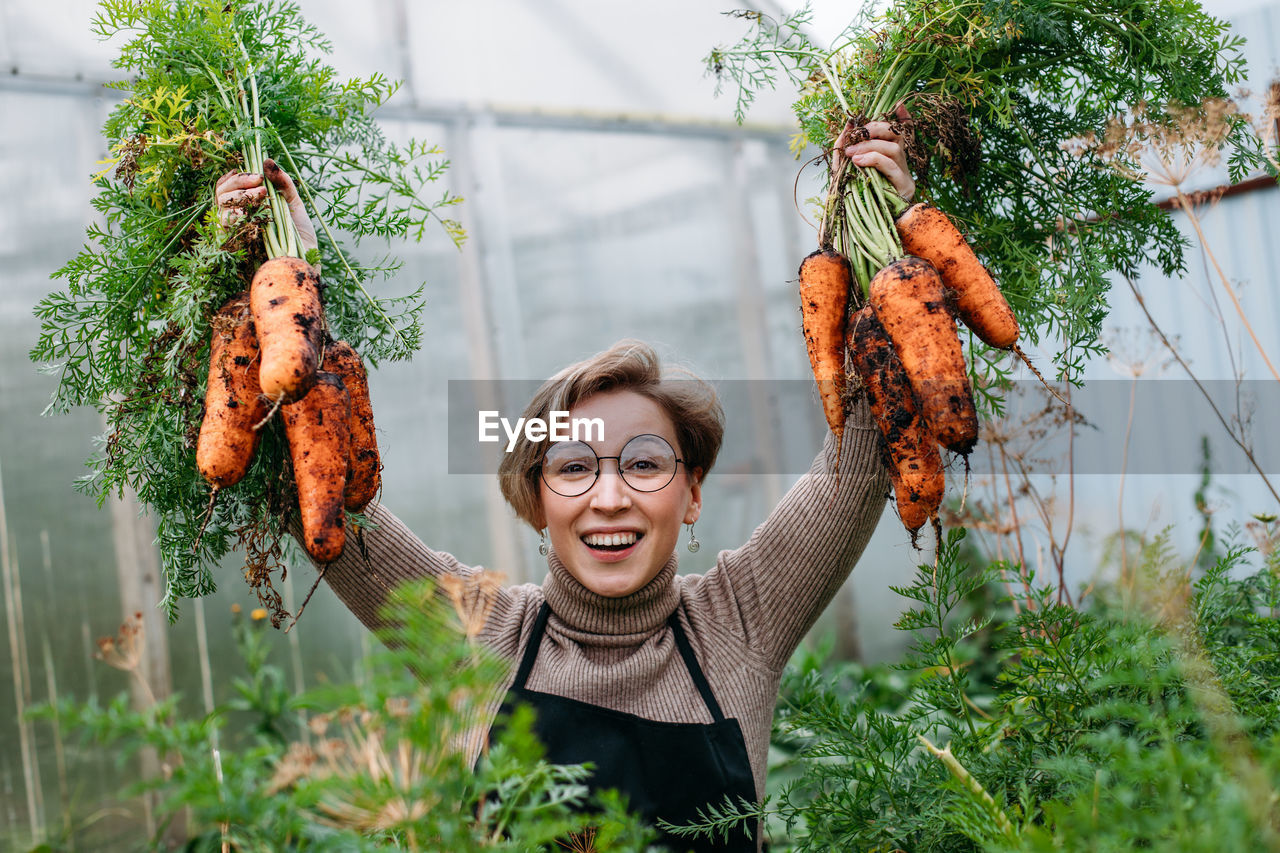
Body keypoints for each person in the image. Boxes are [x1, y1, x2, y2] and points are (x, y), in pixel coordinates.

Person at [217, 124, 914, 852]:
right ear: (536, 498)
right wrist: (283, 270)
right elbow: (319, 482)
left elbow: (860, 456)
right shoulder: (476, 632)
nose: (609, 496)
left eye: (644, 463)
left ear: (693, 491)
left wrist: (879, 239)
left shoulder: (741, 621)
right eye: (575, 467)